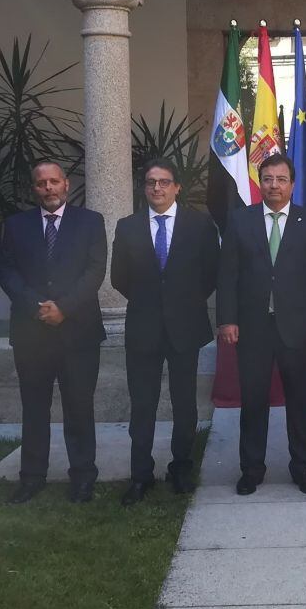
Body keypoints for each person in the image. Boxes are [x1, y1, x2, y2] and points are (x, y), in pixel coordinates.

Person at [217, 153, 306, 496]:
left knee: (299, 399)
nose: (274, 185)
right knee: (253, 400)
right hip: (252, 326)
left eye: (281, 179)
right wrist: (227, 319)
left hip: (297, 326)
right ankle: (251, 468)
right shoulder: (240, 220)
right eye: (268, 179)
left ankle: (303, 466)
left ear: (292, 184)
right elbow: (228, 275)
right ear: (260, 183)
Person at [112, 158, 219, 505]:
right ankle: (140, 475)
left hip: (184, 327)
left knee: (184, 403)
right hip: (143, 328)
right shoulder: (127, 227)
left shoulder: (199, 225)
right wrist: (152, 304)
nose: (156, 188)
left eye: (164, 182)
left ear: (177, 187)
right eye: (150, 182)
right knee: (142, 404)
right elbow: (120, 278)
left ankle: (181, 468)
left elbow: (210, 274)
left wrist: (180, 303)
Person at [0, 161, 106, 504]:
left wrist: (64, 308)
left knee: (79, 407)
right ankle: (32, 477)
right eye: (41, 183)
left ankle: (83, 477)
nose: (48, 188)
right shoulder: (16, 225)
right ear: (34, 188)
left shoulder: (90, 222)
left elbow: (94, 270)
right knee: (34, 409)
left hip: (78, 332)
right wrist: (36, 307)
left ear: (66, 184)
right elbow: (8, 271)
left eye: (54, 182)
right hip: (32, 333)